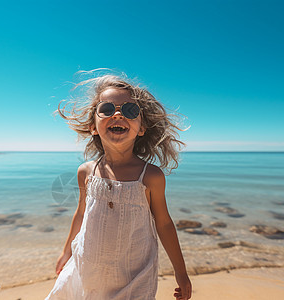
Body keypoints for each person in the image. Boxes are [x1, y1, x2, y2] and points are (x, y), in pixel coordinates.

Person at [45, 72, 192, 300]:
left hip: (133, 276)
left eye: (130, 111)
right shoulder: (86, 171)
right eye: (106, 109)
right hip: (87, 269)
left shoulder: (150, 176)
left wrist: (180, 272)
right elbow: (81, 212)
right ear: (93, 126)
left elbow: (164, 223)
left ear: (141, 128)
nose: (117, 114)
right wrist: (66, 252)